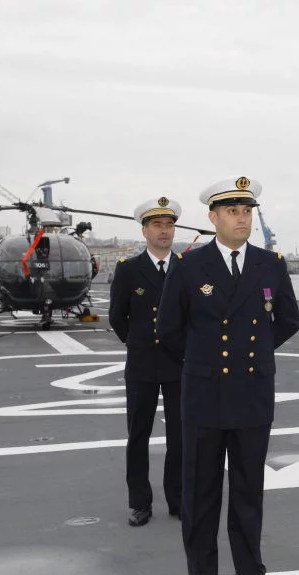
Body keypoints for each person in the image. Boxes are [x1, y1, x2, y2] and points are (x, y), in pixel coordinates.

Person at [157, 176, 299, 575]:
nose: (243, 218)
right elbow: (168, 330)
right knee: (200, 495)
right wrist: (204, 361)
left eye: (247, 211)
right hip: (205, 395)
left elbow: (288, 320)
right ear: (213, 217)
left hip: (252, 392)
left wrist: (251, 355)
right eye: (233, 211)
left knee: (248, 493)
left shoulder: (269, 264)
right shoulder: (190, 265)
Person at [109, 197, 184, 527]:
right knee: (138, 436)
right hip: (141, 365)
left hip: (179, 364)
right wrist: (137, 343)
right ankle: (140, 503)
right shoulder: (128, 269)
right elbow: (117, 316)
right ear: (145, 231)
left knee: (181, 437)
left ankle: (179, 499)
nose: (164, 231)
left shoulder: (186, 267)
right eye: (157, 225)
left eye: (168, 225)